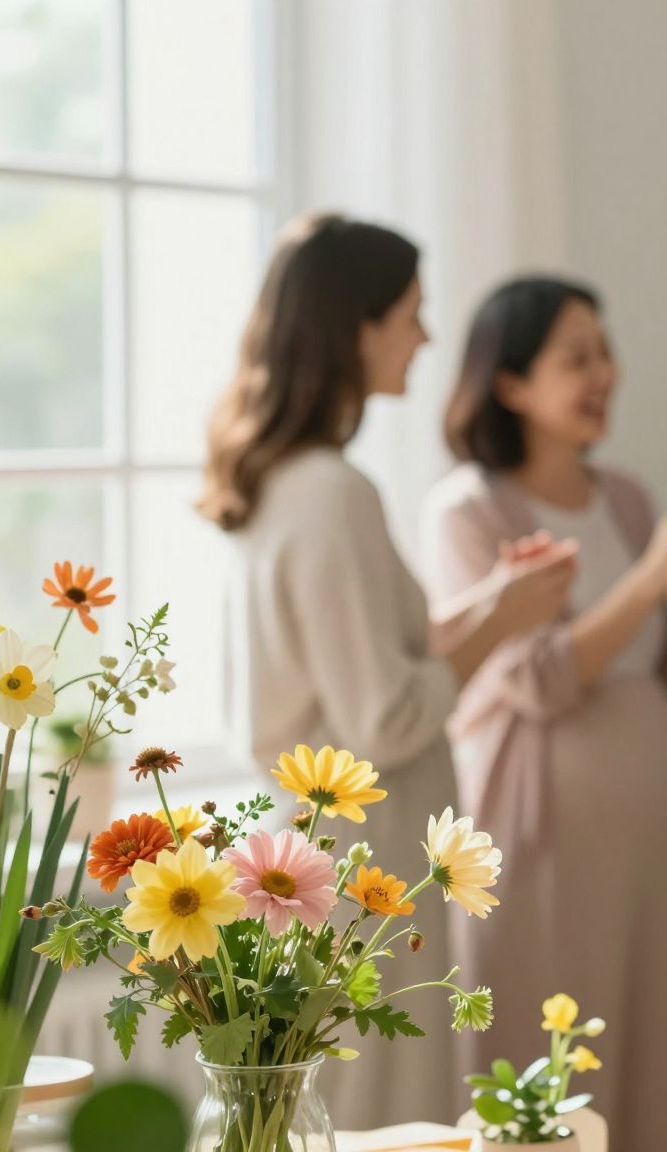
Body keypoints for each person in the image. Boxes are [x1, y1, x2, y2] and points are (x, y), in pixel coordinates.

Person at [202, 215, 578, 1126]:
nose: (426, 336)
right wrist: (502, 623)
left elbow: (363, 656)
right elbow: (386, 717)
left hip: (322, 858)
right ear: (357, 326)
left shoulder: (286, 482)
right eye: (412, 313)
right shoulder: (332, 493)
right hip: (357, 870)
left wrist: (493, 601)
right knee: (371, 1121)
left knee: (327, 1113)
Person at [422, 275, 667, 1152]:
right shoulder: (470, 509)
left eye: (604, 351)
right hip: (536, 837)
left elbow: (654, 665)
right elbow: (537, 680)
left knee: (636, 1041)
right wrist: (656, 576)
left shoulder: (625, 497)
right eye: (575, 357)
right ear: (511, 383)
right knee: (539, 1050)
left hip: (639, 843)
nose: (603, 374)